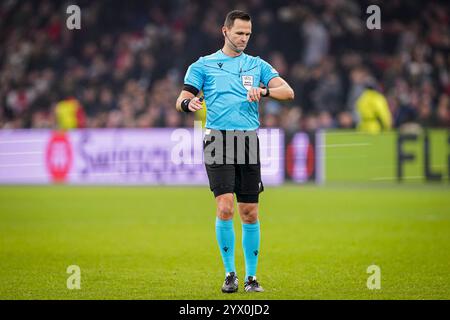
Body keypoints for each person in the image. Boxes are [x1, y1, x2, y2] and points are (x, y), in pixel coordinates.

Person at [176, 10, 294, 293]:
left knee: (250, 212)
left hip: (247, 141)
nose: (244, 38)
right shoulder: (203, 65)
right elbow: (182, 97)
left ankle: (252, 278)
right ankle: (230, 273)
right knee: (225, 207)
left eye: (248, 34)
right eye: (239, 33)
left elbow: (288, 92)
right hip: (217, 140)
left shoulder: (257, 65)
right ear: (225, 31)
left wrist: (264, 92)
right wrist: (187, 105)